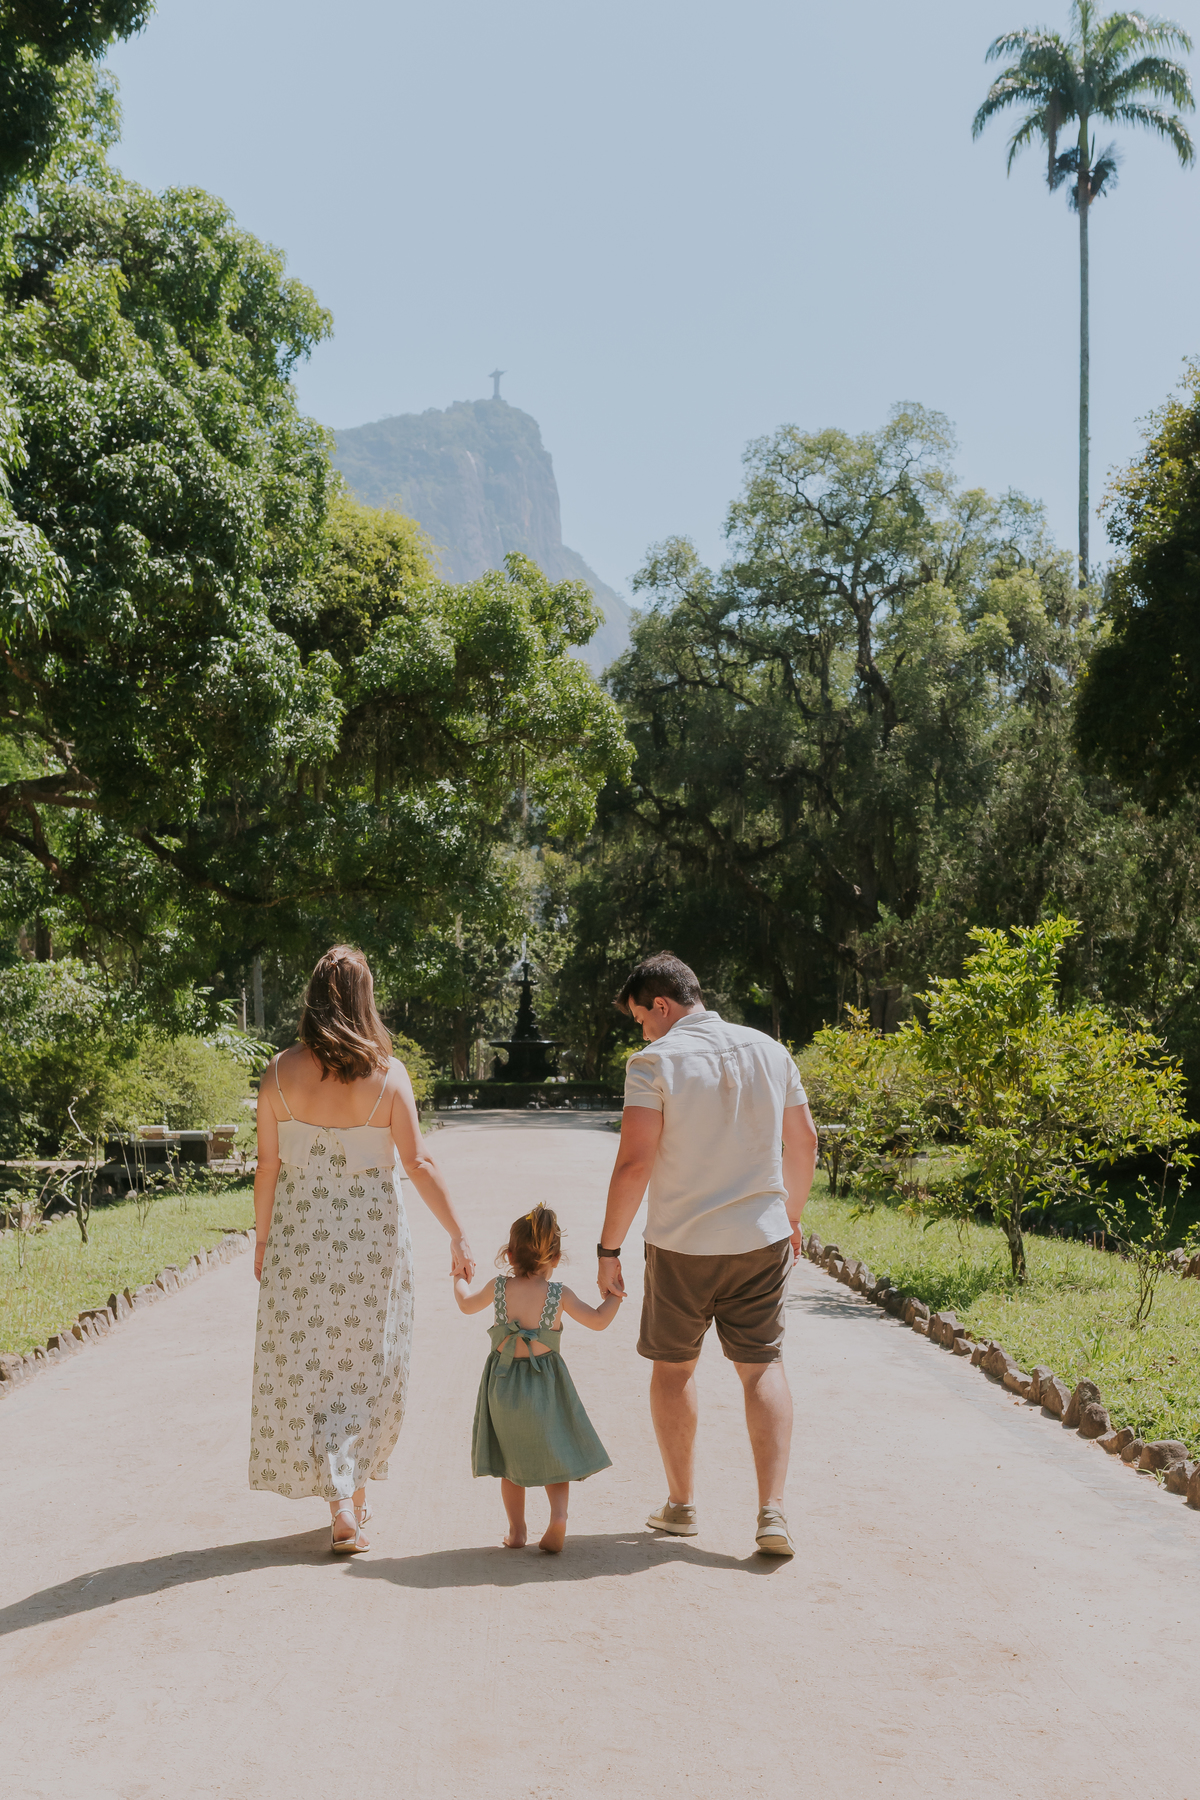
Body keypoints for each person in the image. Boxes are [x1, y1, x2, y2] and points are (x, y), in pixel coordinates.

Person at [250, 944, 475, 1554]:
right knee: (368, 1361)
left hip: (300, 1240)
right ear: (363, 998)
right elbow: (419, 1163)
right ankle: (351, 1492)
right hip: (371, 1243)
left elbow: (267, 1167)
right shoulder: (389, 1074)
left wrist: (263, 1238)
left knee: (312, 1365)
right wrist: (457, 1233)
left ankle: (343, 1497)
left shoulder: (276, 1073)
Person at [596, 951, 818, 1557]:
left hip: (682, 1244)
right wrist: (791, 1216)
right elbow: (804, 1142)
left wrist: (608, 1248)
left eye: (641, 1017)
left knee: (674, 1368)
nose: (641, 1030)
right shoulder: (771, 1050)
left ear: (661, 1005)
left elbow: (635, 1162)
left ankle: (681, 1505)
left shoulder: (653, 1063)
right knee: (763, 1366)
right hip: (761, 1238)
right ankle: (772, 1512)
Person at [454, 1204, 621, 1553]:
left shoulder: (499, 1288)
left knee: (508, 1460)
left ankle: (517, 1531)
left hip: (504, 1387)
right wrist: (614, 1295)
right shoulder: (559, 1294)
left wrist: (459, 1276)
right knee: (555, 1453)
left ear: (510, 1254)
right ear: (556, 1257)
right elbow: (599, 1320)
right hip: (547, 1388)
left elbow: (467, 1305)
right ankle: (558, 1517)